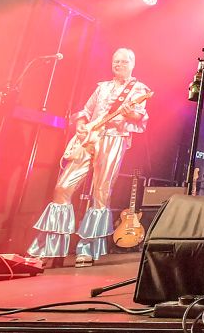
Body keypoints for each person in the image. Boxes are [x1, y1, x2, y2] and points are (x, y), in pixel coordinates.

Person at [28, 48, 150, 267]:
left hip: (113, 138)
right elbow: (85, 111)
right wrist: (82, 125)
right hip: (89, 139)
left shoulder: (139, 89)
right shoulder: (102, 87)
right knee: (62, 187)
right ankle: (51, 248)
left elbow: (138, 116)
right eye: (115, 61)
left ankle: (87, 249)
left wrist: (127, 111)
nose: (118, 65)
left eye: (123, 61)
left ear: (132, 64)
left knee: (101, 192)